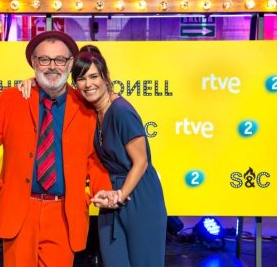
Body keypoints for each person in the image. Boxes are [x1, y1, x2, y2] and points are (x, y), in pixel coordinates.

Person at [0, 31, 112, 267]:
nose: (52, 66)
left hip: (63, 214)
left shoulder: (85, 107)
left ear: (70, 63)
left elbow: (94, 159)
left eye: (60, 60)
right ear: (34, 63)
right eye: (44, 59)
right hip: (20, 211)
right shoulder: (12, 98)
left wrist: (102, 189)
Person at [20, 45, 167, 266]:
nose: (88, 84)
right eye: (81, 79)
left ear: (105, 77)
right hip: (110, 195)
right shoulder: (89, 111)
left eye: (94, 76)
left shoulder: (121, 111)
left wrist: (120, 195)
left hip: (138, 195)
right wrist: (32, 82)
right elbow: (53, 85)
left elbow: (142, 162)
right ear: (75, 84)